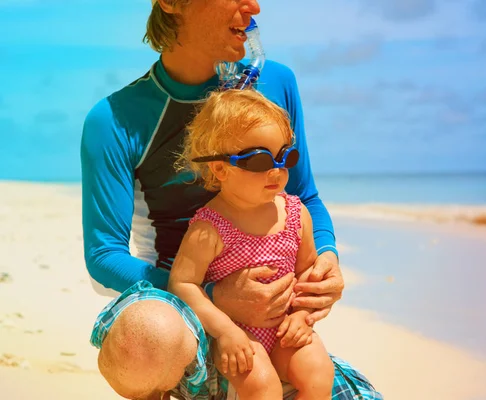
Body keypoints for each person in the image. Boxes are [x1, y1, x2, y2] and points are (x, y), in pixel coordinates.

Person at [82, 0, 382, 398]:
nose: (254, 6)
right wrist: (213, 298)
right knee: (143, 340)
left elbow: (304, 195)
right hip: (184, 316)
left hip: (271, 326)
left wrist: (326, 258)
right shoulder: (117, 119)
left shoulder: (276, 83)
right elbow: (104, 255)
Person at [168, 89, 334, 399]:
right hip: (235, 333)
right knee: (261, 385)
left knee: (318, 372)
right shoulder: (209, 228)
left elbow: (307, 275)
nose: (277, 170)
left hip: (285, 326)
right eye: (260, 160)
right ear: (220, 168)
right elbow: (182, 283)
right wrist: (224, 330)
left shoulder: (296, 214)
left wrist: (301, 316)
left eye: (286, 157)